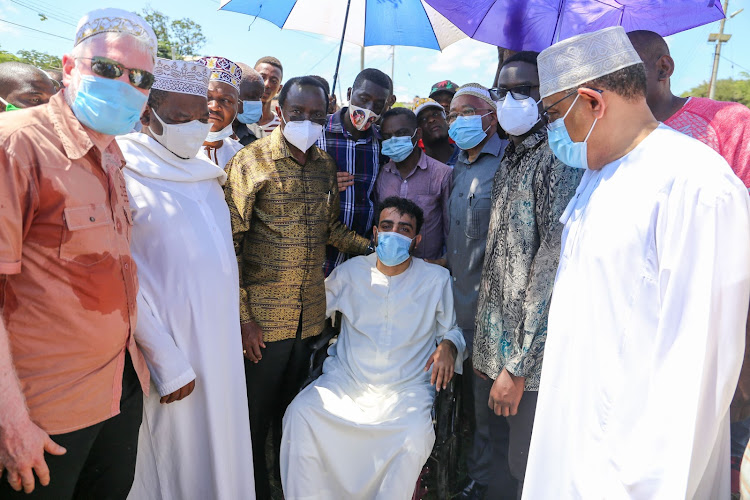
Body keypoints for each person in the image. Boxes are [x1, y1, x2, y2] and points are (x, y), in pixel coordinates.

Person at [523, 26, 750, 499]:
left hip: (632, 473)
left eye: (552, 113)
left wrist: (644, 484)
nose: (551, 132)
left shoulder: (695, 185)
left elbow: (697, 367)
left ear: (591, 102)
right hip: (573, 446)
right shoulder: (598, 175)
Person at [0, 8, 156, 498]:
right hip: (43, 414)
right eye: (107, 69)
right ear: (69, 67)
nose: (124, 84)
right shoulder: (18, 144)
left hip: (116, 393)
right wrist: (11, 424)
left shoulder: (113, 155)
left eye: (141, 77)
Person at [224, 76, 371, 499]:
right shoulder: (251, 162)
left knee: (294, 419)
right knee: (253, 422)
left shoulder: (324, 165)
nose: (306, 121)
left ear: (327, 114)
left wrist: (379, 248)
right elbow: (229, 245)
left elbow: (331, 231)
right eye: (297, 113)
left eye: (316, 114)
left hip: (309, 319)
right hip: (263, 326)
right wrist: (244, 318)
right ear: (280, 111)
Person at [116, 58, 255, 500]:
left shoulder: (206, 174)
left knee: (224, 446)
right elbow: (123, 279)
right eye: (179, 118)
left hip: (221, 346)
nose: (194, 128)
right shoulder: (121, 171)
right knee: (177, 457)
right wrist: (167, 361)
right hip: (172, 352)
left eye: (200, 117)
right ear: (146, 112)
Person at [628, 28, 750, 495]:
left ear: (665, 67)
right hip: (640, 336)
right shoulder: (615, 139)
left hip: (709, 331)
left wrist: (739, 352)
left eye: (632, 67)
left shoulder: (725, 123)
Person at [280, 196, 466, 499]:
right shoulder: (351, 272)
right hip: (347, 381)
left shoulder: (436, 279)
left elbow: (454, 328)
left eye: (404, 229)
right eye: (387, 226)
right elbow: (313, 310)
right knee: (301, 414)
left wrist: (448, 344)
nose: (394, 233)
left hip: (407, 387)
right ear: (376, 234)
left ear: (416, 240)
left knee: (413, 436)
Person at [472, 51, 583, 499]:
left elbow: (548, 271)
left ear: (548, 97)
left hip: (523, 363)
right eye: (503, 92)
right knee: (494, 458)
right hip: (490, 347)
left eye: (525, 90)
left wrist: (516, 367)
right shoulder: (513, 155)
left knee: (522, 466)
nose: (511, 100)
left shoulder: (558, 160)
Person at [444, 82, 512, 500]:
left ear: (490, 117)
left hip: (492, 310)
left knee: (489, 406)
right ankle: (467, 469)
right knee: (467, 401)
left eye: (468, 111)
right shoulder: (458, 166)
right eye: (453, 113)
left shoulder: (507, 162)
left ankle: (485, 481)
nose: (458, 120)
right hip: (456, 305)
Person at [627, 29, 750, 188]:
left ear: (664, 68)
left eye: (627, 68)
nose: (614, 79)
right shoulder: (605, 135)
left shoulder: (729, 120)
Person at [318, 68, 393, 276]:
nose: (369, 109)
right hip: (319, 258)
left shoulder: (381, 143)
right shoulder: (318, 132)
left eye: (377, 105)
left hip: (360, 261)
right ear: (350, 94)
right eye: (364, 99)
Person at [375, 107, 451, 262]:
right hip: (388, 266)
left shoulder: (442, 174)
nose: (394, 140)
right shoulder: (382, 174)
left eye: (401, 133)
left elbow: (451, 227)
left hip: (427, 268)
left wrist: (444, 261)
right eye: (387, 136)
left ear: (418, 134)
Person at [198, 56, 243, 169]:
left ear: (237, 107)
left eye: (226, 100)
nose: (214, 107)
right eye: (206, 97)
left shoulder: (242, 157)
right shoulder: (171, 152)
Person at [414, 97, 460, 167]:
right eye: (423, 119)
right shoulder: (417, 169)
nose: (431, 120)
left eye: (435, 114)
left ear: (447, 120)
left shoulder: (468, 155)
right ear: (418, 133)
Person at [249, 56, 283, 138]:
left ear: (279, 89)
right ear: (250, 79)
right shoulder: (236, 121)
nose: (266, 84)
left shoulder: (281, 129)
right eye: (261, 77)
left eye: (274, 81)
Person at [234, 62, 265, 146]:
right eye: (252, 97)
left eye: (260, 97)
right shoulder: (203, 132)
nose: (257, 103)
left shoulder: (258, 135)